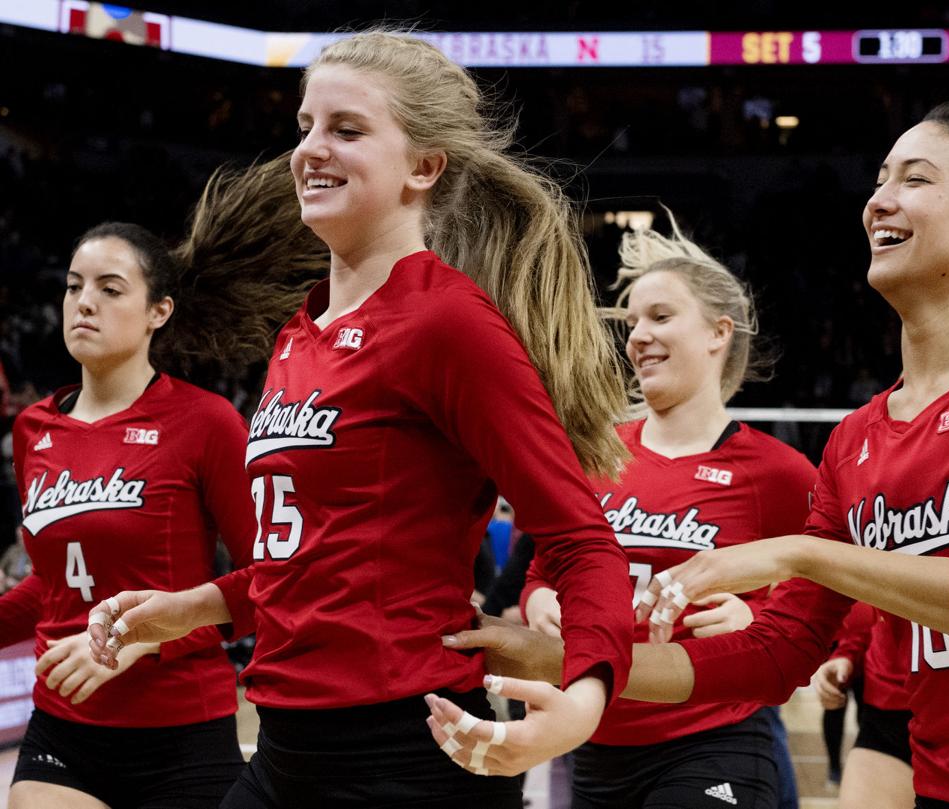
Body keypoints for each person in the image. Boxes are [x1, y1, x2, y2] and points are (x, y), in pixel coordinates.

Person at [445, 2, 949, 806]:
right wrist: (572, 658)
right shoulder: (858, 440)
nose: (879, 200)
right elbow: (772, 657)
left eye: (915, 179)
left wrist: (795, 553)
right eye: (878, 180)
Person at [87, 29, 635, 809]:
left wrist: (580, 705)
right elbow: (324, 555)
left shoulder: (448, 324)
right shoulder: (297, 333)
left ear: (423, 166)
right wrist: (194, 607)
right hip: (285, 749)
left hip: (407, 755)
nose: (311, 148)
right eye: (305, 126)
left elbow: (582, 541)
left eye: (346, 129)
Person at [7, 156, 327, 809]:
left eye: (109, 287)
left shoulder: (206, 421)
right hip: (62, 725)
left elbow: (272, 579)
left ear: (160, 311)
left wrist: (144, 640)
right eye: (73, 286)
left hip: (181, 730)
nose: (84, 302)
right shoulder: (33, 429)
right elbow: (53, 582)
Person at [514, 222, 817, 808]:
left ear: (717, 333)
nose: (638, 337)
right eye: (631, 324)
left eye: (659, 316)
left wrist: (760, 622)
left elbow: (834, 597)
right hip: (595, 743)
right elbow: (540, 575)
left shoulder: (777, 473)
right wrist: (540, 602)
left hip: (711, 740)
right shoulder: (596, 455)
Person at [811, 604, 912, 809]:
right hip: (886, 711)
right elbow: (873, 614)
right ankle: (834, 766)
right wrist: (847, 654)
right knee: (835, 711)